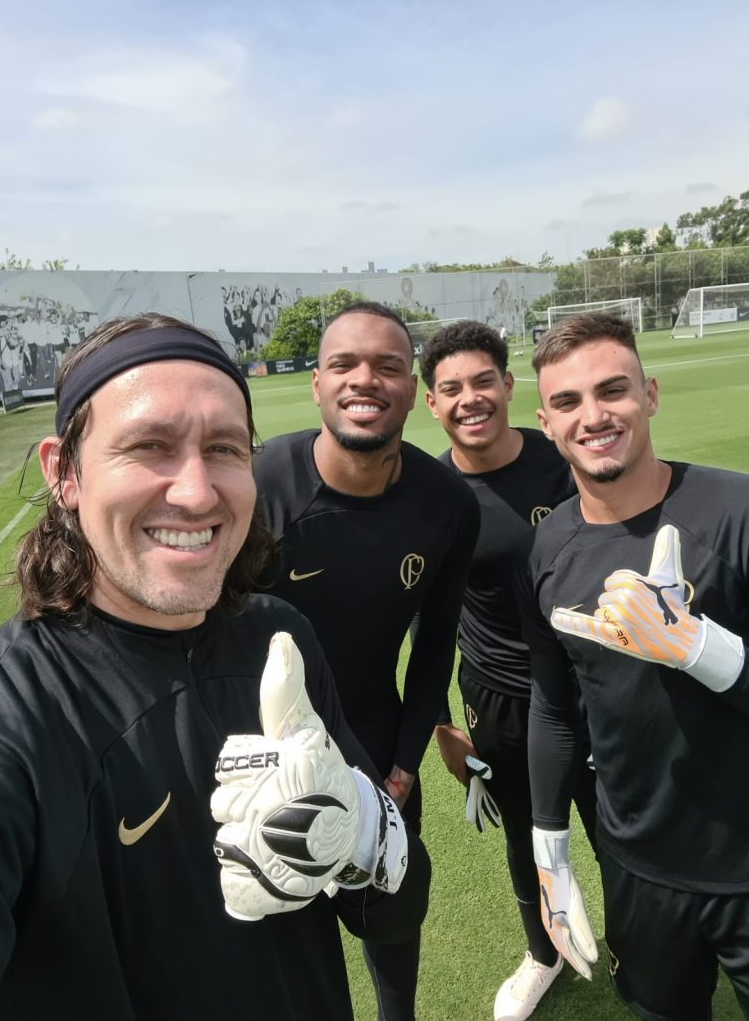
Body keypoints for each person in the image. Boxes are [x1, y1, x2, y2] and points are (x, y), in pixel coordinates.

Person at [0, 311, 430, 1021]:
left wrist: (363, 832)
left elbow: (394, 915)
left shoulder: (279, 637)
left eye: (224, 449)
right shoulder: (8, 712)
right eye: (149, 446)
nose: (196, 491)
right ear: (63, 472)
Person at [517, 311, 749, 1020]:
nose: (593, 416)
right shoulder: (550, 543)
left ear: (649, 394)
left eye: (612, 390)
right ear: (546, 421)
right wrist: (550, 847)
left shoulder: (737, 509)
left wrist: (702, 650)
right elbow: (556, 707)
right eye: (568, 402)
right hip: (639, 866)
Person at [253, 302, 480, 1021]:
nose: (366, 380)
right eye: (345, 364)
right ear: (317, 383)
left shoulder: (446, 502)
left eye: (387, 366)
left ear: (413, 389)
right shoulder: (258, 485)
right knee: (284, 920)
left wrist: (406, 765)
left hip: (381, 750)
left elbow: (436, 642)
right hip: (266, 752)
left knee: (389, 910)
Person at [419, 320, 596, 1021]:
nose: (470, 398)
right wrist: (440, 723)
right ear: (432, 402)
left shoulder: (565, 462)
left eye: (482, 381)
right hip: (497, 697)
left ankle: (635, 947)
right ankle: (543, 951)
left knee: (617, 828)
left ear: (508, 386)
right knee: (528, 834)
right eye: (451, 388)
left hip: (591, 685)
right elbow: (424, 619)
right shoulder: (428, 494)